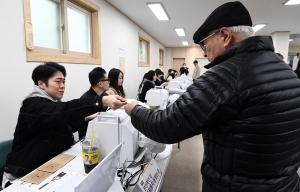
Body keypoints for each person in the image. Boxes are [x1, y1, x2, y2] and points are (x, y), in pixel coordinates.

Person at [124, 2, 300, 192]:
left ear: (225, 36)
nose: (204, 52)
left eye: (204, 43)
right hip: (286, 185)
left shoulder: (226, 75)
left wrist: (132, 108)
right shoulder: (287, 72)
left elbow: (166, 126)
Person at [2, 62, 126, 188]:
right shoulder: (32, 106)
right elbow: (63, 111)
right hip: (22, 175)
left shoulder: (50, 103)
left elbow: (64, 124)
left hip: (48, 166)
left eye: (64, 82)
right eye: (58, 81)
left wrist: (85, 118)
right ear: (41, 84)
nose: (62, 86)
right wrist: (101, 101)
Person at [78, 67, 110, 139]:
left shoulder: (105, 96)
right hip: (89, 138)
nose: (109, 82)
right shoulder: (85, 100)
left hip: (104, 132)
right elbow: (80, 125)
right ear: (100, 84)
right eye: (107, 80)